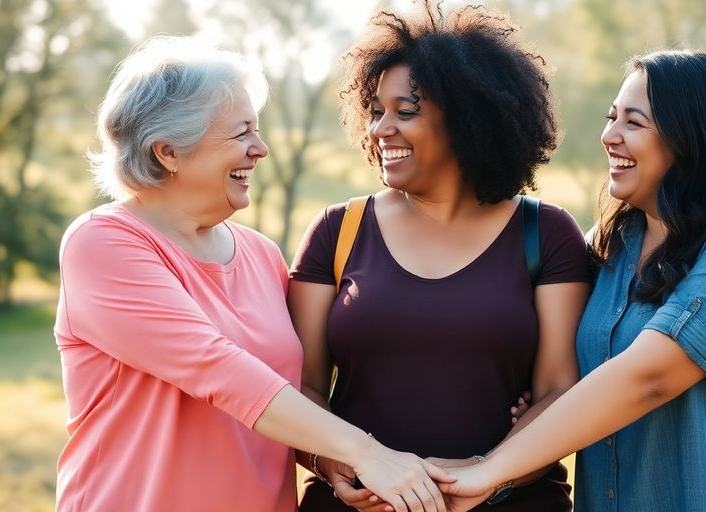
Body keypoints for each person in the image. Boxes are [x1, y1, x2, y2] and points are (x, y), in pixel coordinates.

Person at [54, 36, 454, 512]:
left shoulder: (261, 254)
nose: (260, 149)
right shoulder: (103, 243)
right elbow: (216, 368)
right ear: (168, 152)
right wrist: (366, 452)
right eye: (241, 133)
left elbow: (288, 396)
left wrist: (330, 460)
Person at [438, 49, 706, 511]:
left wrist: (489, 470)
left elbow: (650, 376)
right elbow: (546, 367)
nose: (608, 136)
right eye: (610, 118)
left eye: (633, 123)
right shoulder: (610, 243)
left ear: (691, 137)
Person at [287, 3, 591, 511]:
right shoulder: (337, 231)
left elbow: (562, 393)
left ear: (471, 121)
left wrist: (486, 475)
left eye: (406, 112)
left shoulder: (547, 233)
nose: (380, 129)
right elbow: (301, 392)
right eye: (377, 110)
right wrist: (342, 468)